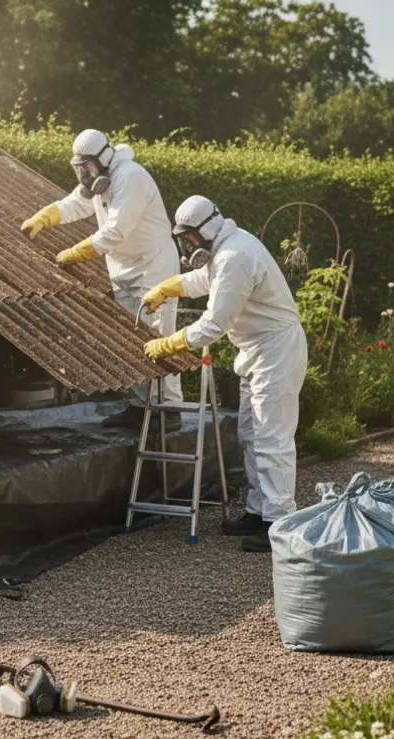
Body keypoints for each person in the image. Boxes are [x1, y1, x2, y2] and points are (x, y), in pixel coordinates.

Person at [141, 195, 308, 552]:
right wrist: (170, 286)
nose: (189, 246)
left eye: (190, 239)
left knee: (271, 440)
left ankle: (278, 523)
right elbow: (206, 279)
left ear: (206, 230)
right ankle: (258, 510)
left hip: (275, 352)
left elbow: (215, 323)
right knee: (251, 434)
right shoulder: (227, 249)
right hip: (258, 352)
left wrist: (171, 343)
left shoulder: (236, 256)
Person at [20, 128, 183, 429]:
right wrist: (45, 217)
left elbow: (116, 231)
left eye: (88, 167)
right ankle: (139, 406)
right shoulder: (101, 182)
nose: (85, 174)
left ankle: (168, 411)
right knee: (131, 339)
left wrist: (74, 252)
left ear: (104, 158)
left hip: (153, 268)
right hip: (123, 269)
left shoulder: (130, 177)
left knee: (158, 337)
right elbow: (75, 203)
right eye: (80, 168)